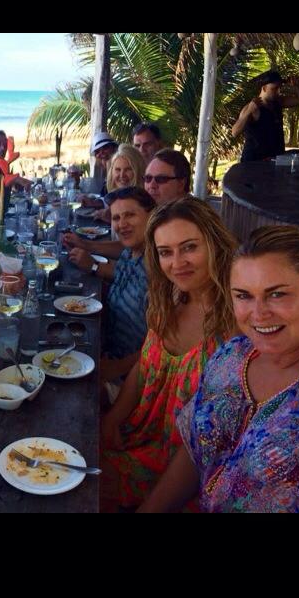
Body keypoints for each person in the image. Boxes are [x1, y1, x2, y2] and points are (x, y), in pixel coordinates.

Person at [139, 227, 299, 514]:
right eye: (243, 296)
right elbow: (194, 453)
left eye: (277, 294)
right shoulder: (231, 356)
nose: (258, 314)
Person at [100, 197, 237, 511]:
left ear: (214, 243)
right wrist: (112, 419)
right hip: (137, 434)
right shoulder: (172, 295)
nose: (177, 263)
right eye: (165, 252)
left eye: (189, 247)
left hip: (183, 471)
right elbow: (143, 368)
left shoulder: (236, 319)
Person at [101, 188, 156, 381]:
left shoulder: (157, 267)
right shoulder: (129, 253)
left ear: (151, 215)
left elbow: (163, 344)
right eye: (116, 218)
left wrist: (116, 368)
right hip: (110, 355)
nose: (122, 224)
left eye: (130, 215)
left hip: (134, 377)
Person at [232, 70, 299, 163]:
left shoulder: (278, 102)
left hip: (275, 159)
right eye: (275, 88)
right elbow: (234, 132)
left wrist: (298, 86)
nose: (278, 92)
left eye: (280, 88)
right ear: (264, 88)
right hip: (254, 162)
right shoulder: (252, 108)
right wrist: (249, 111)